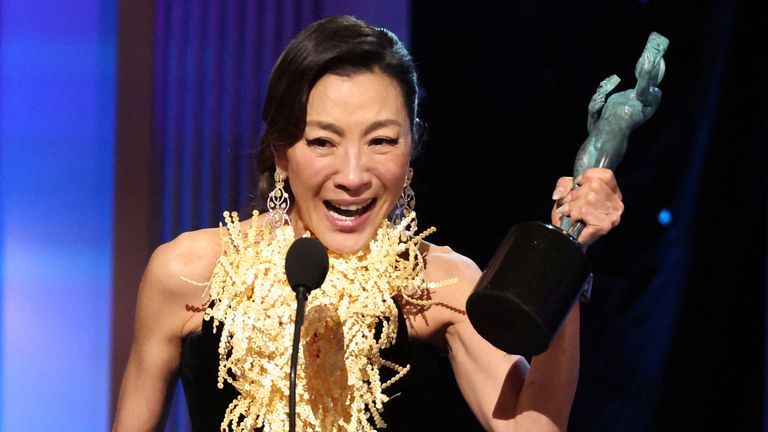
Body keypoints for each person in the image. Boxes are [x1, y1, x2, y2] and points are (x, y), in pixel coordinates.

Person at [113, 15, 624, 432]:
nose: (353, 175)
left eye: (381, 141)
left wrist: (566, 255)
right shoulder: (188, 272)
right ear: (281, 153)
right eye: (322, 142)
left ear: (411, 151)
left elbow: (532, 430)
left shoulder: (439, 284)